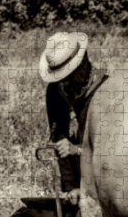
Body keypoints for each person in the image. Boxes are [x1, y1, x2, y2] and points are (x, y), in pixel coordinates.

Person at [39, 32, 108, 203]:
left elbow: (112, 152)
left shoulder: (106, 91)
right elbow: (59, 138)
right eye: (60, 78)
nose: (64, 83)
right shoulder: (55, 92)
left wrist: (76, 150)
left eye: (67, 77)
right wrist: (71, 186)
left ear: (83, 64)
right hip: (80, 187)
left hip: (107, 185)